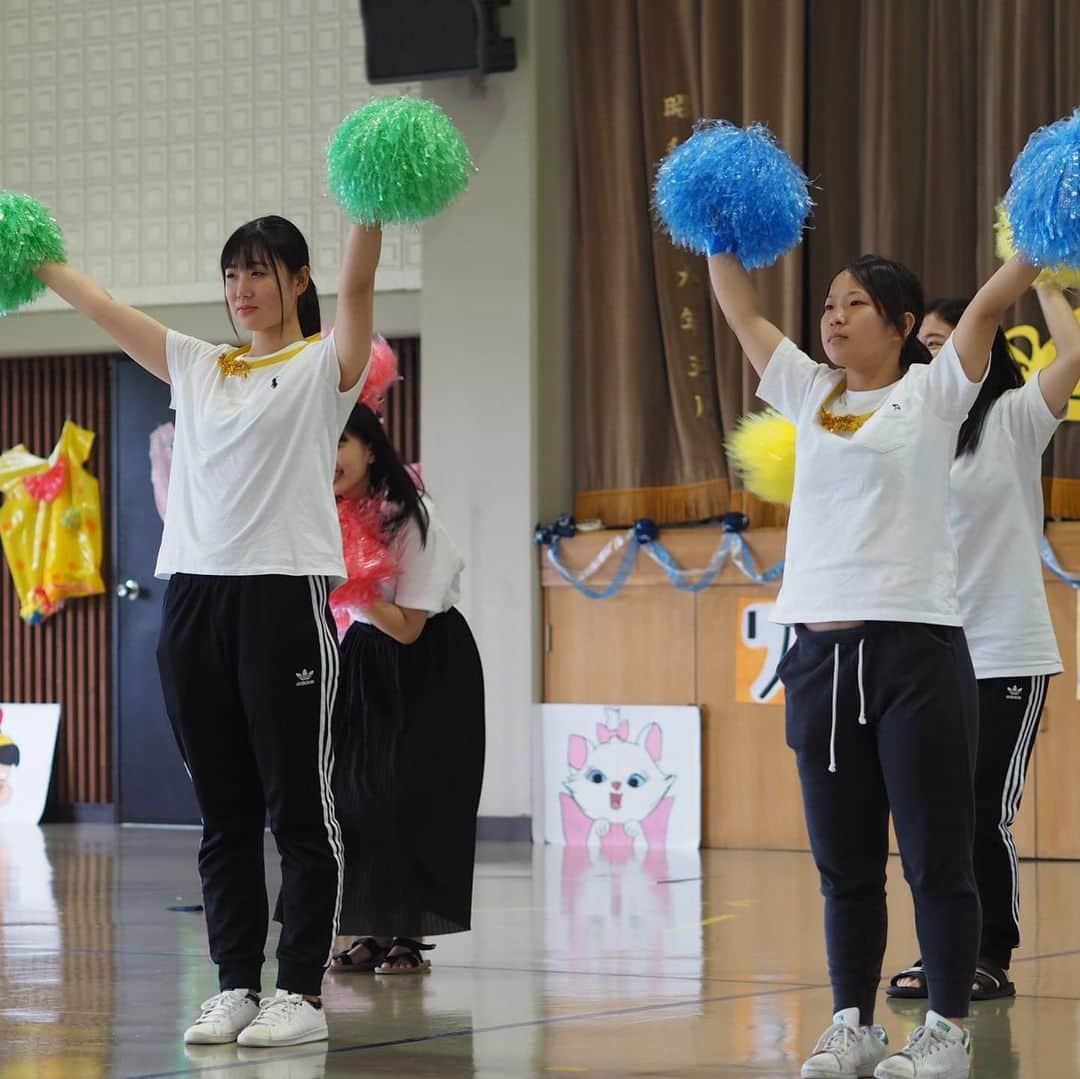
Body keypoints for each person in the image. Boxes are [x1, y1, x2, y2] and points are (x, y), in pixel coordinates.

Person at [36, 214, 383, 1048]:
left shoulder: (323, 366)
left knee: (300, 809)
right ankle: (235, 982)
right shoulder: (197, 365)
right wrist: (34, 256)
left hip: (282, 598)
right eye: (231, 275)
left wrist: (371, 202)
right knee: (222, 812)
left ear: (298, 279)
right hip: (193, 600)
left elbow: (361, 287)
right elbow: (105, 306)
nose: (241, 291)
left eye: (259, 272)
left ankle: (298, 990)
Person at [708, 248, 1040, 1079]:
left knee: (936, 854)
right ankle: (851, 1020)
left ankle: (947, 1031)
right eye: (828, 302)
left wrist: (1043, 220)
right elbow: (745, 315)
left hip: (915, 653)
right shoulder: (809, 391)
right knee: (843, 860)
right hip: (819, 657)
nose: (833, 315)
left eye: (854, 303)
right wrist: (714, 230)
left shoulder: (933, 392)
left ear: (900, 326)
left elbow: (994, 303)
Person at [888, 284, 1080, 1003]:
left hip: (1007, 652)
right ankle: (941, 948)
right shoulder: (909, 430)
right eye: (923, 349)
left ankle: (989, 952)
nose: (932, 359)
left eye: (943, 345)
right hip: (929, 653)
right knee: (930, 813)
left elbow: (1078, 355)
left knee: (980, 808)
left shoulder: (1013, 418)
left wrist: (1045, 277)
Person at [326, 390, 485, 977]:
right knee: (356, 795)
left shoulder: (408, 513)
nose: (328, 457)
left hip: (427, 661)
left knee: (411, 796)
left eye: (339, 441)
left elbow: (410, 627)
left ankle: (408, 936)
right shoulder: (327, 514)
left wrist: (350, 586)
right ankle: (370, 927)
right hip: (362, 658)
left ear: (370, 447)